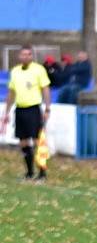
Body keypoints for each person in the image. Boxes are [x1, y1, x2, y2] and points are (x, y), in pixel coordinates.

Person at [1, 46, 51, 181]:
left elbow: (45, 89)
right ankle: (29, 172)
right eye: (23, 54)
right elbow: (11, 93)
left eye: (28, 54)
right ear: (19, 56)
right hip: (20, 109)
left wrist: (47, 108)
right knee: (23, 142)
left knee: (37, 141)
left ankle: (42, 173)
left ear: (32, 56)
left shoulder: (38, 70)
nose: (25, 57)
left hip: (33, 109)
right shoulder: (15, 71)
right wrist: (6, 112)